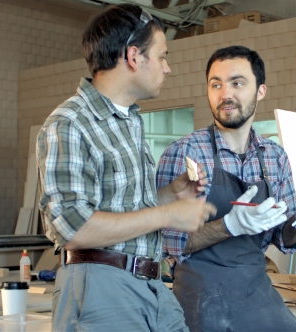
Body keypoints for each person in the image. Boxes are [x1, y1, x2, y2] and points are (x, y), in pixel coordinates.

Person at [36, 4, 216, 331]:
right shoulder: (70, 124)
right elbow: (72, 228)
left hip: (150, 284)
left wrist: (168, 197)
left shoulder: (129, 120)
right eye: (161, 57)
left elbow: (121, 209)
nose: (167, 68)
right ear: (134, 57)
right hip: (100, 290)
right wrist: (168, 216)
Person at [156, 45, 296, 332]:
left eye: (237, 83)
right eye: (216, 84)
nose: (225, 94)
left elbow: (284, 238)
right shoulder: (185, 152)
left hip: (256, 285)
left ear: (260, 91)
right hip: (201, 292)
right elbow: (164, 242)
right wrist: (228, 225)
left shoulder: (273, 156)